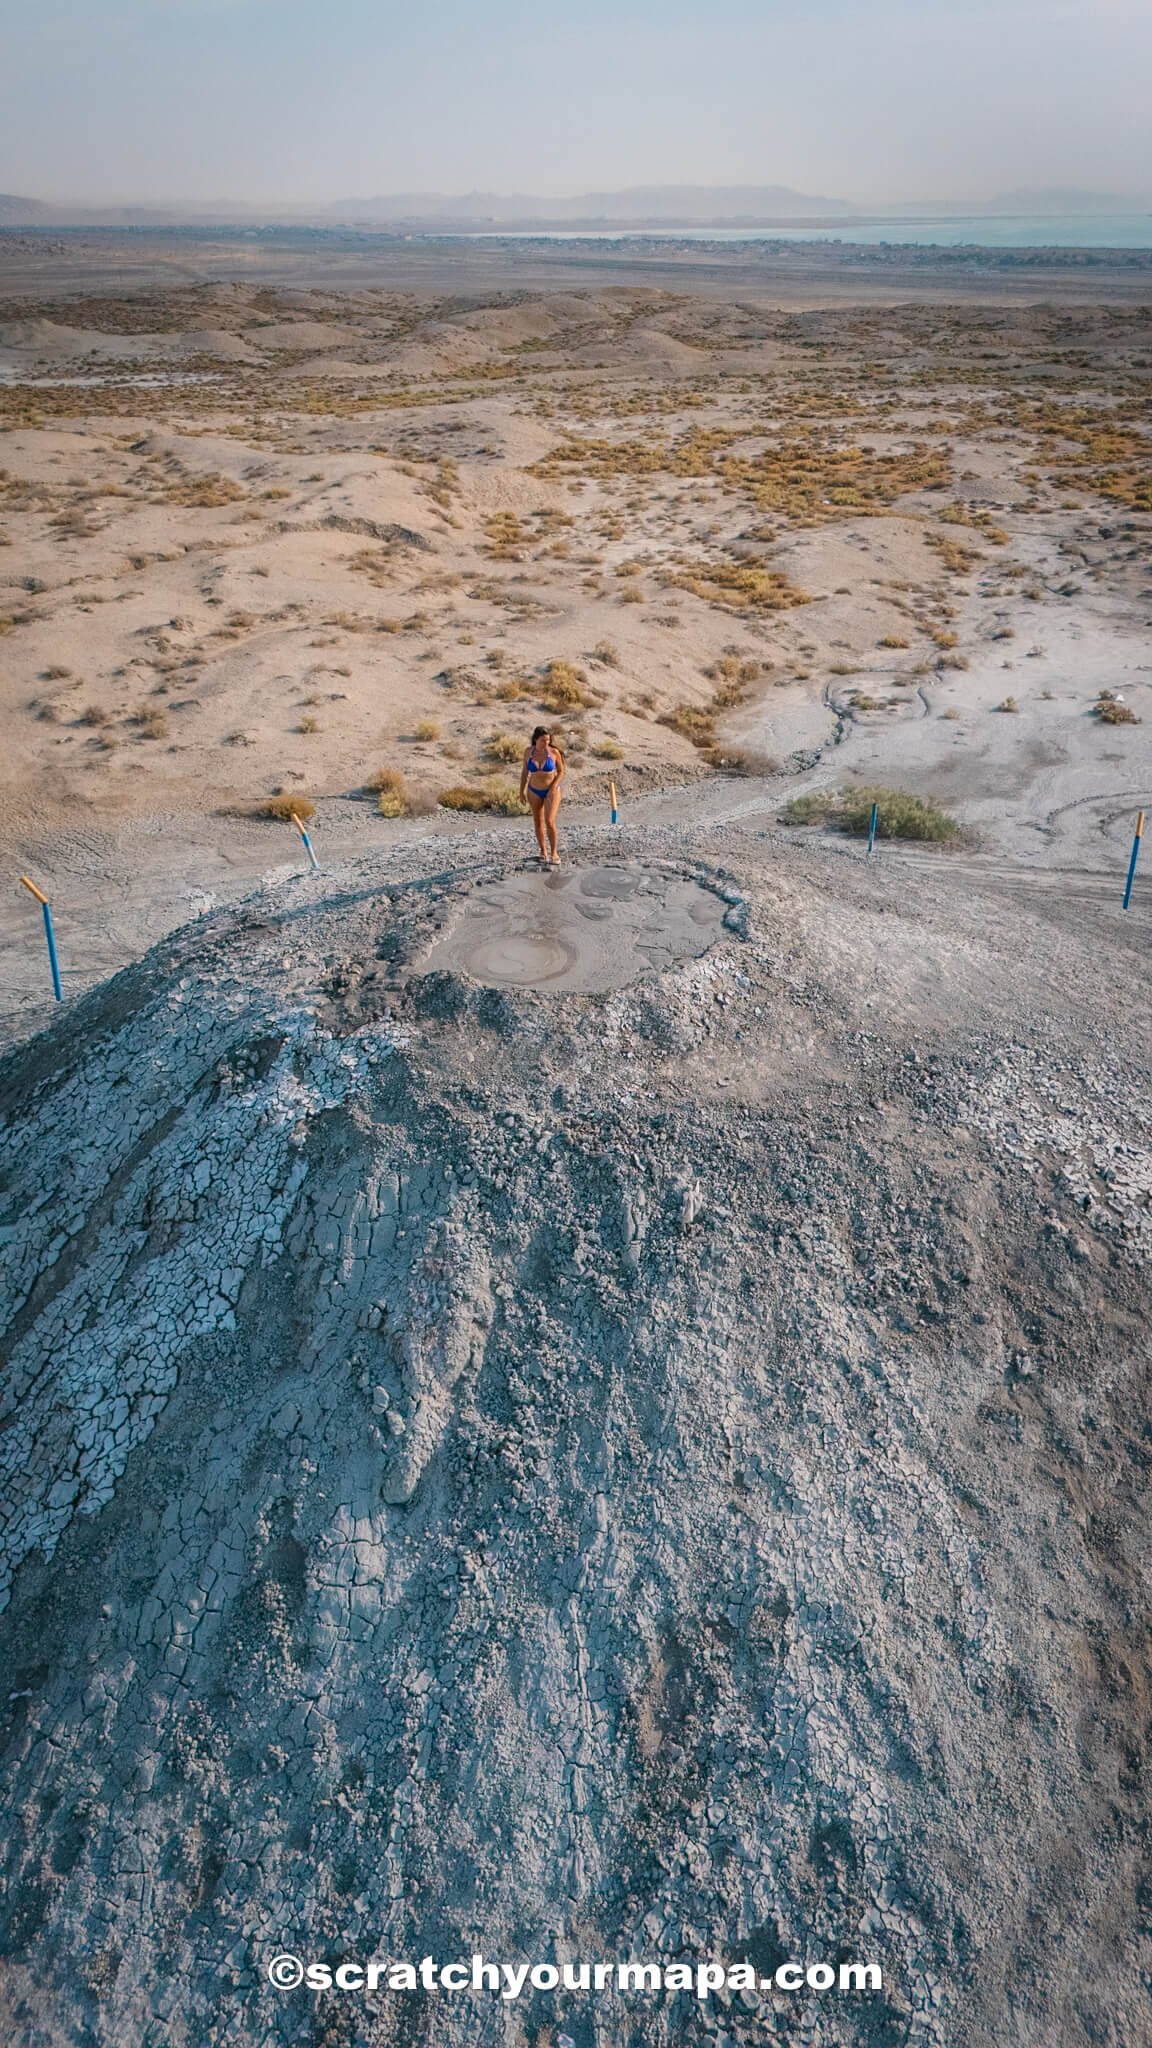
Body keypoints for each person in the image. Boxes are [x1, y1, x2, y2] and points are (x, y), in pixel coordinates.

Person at [519, 725, 564, 865]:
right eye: (543, 741)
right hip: (533, 790)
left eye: (548, 740)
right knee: (538, 822)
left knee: (549, 821)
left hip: (551, 790)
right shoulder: (528, 752)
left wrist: (554, 785)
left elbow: (561, 772)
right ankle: (543, 851)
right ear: (536, 739)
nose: (546, 743)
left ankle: (554, 852)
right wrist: (521, 791)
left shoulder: (554, 752)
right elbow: (525, 772)